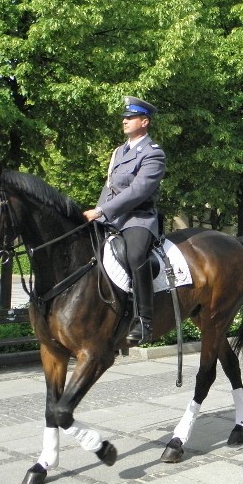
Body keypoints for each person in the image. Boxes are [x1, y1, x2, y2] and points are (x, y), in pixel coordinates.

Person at [83, 96, 166, 345]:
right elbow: (109, 188)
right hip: (112, 218)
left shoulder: (153, 154)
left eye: (130, 118)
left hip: (138, 219)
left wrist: (102, 212)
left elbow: (138, 191)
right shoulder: (119, 152)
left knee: (135, 256)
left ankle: (144, 320)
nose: (125, 121)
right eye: (124, 118)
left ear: (145, 121)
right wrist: (97, 211)